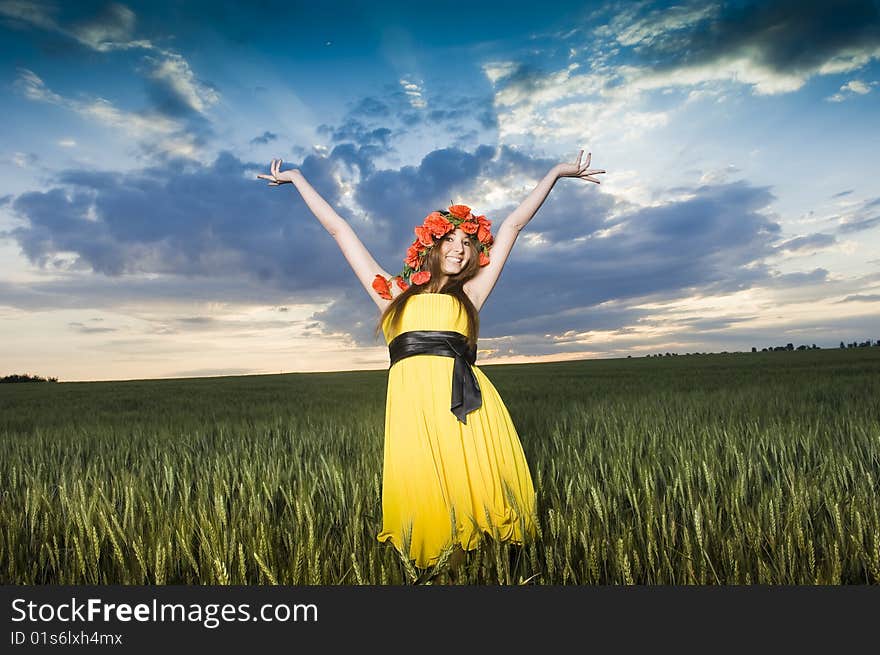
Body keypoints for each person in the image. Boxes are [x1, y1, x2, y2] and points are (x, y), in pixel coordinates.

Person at [258, 150, 605, 580]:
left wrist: (554, 174)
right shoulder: (390, 295)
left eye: (467, 244)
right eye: (450, 240)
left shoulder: (471, 295)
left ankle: (494, 573)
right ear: (432, 244)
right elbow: (339, 230)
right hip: (413, 412)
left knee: (476, 497)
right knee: (431, 502)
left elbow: (513, 225)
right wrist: (297, 180)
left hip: (467, 410)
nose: (460, 249)